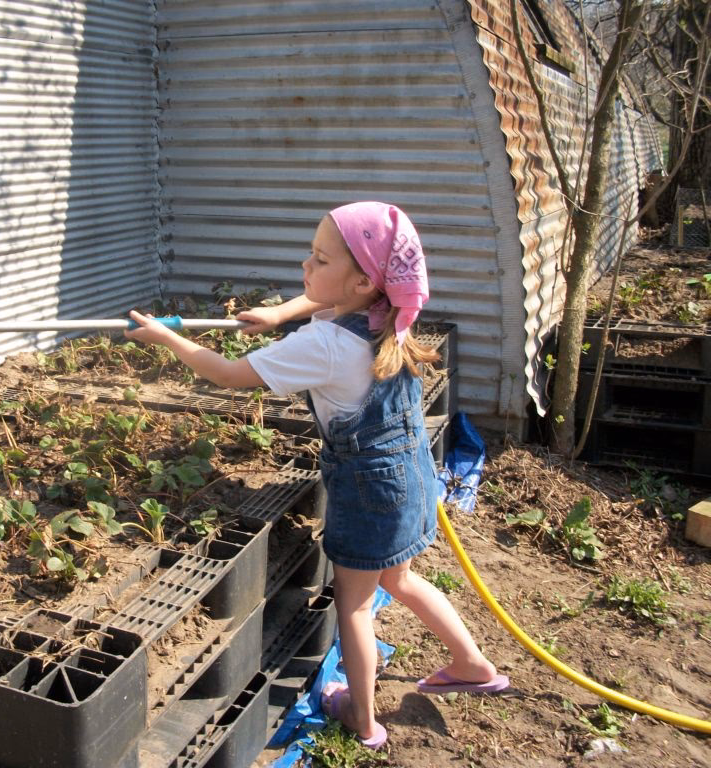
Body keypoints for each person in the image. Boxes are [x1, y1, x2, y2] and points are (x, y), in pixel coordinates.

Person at [125, 201, 508, 749]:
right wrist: (280, 314)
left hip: (368, 489)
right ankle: (471, 663)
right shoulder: (388, 311)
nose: (306, 266)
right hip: (413, 475)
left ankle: (362, 718)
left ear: (360, 282)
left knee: (355, 605)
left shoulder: (325, 344)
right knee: (398, 580)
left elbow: (229, 374)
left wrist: (169, 340)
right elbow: (325, 301)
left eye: (320, 259)